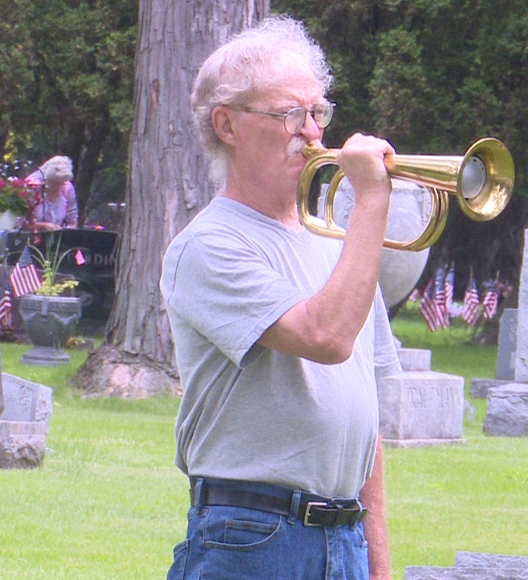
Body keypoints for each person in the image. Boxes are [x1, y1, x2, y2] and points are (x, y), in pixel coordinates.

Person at [159, 15, 401, 580]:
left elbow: (362, 426)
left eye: (319, 112)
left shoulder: (338, 246)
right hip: (252, 538)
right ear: (227, 124)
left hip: (344, 539)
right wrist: (371, 203)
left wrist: (378, 564)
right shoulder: (208, 246)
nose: (314, 133)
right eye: (290, 114)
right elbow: (326, 337)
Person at [25, 155, 79, 231]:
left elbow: (73, 221)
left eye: (62, 183)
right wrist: (42, 226)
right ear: (46, 179)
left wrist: (67, 230)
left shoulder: (67, 187)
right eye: (55, 183)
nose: (59, 186)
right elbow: (20, 223)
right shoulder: (33, 186)